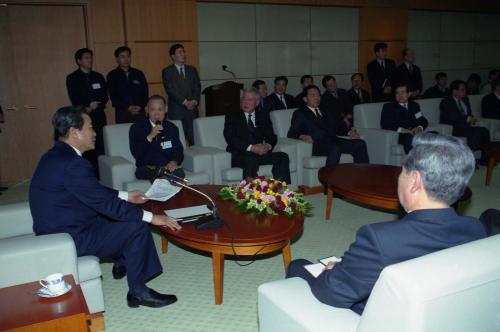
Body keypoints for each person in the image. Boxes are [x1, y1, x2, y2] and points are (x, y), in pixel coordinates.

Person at [286, 133, 486, 314]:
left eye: (402, 171)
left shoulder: (380, 238)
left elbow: (333, 292)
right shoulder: (475, 229)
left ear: (415, 180)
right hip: (438, 311)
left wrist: (333, 272)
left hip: (389, 317)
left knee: (298, 266)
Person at [29, 106, 182, 308]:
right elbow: (106, 204)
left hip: (59, 225)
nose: (94, 133)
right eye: (90, 127)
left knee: (122, 215)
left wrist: (126, 195)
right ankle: (138, 292)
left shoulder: (56, 155)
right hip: (68, 236)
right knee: (137, 226)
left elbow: (89, 191)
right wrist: (153, 217)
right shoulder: (73, 163)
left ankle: (123, 260)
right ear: (75, 132)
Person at [288, 85, 369, 166]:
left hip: (334, 140)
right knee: (335, 148)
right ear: (305, 99)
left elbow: (338, 126)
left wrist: (349, 132)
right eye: (313, 95)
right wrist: (302, 136)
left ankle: (361, 175)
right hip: (318, 145)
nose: (317, 98)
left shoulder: (326, 110)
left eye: (318, 95)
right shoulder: (300, 113)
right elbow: (292, 133)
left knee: (360, 143)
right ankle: (329, 177)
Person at [223, 88, 291, 182]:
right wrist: (252, 148)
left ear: (257, 102)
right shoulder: (232, 116)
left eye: (249, 100)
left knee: (283, 156)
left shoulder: (263, 116)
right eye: (243, 99)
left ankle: (280, 189)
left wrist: (267, 146)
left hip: (259, 153)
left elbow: (271, 136)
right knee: (251, 160)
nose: (245, 102)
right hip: (239, 155)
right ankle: (250, 193)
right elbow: (230, 138)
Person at [66, 48, 108, 172]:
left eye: (90, 57)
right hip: (83, 116)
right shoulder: (72, 78)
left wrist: (96, 105)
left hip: (99, 115)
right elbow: (74, 97)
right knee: (86, 145)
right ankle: (88, 173)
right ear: (79, 61)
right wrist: (88, 107)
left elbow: (104, 96)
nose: (90, 60)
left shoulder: (98, 76)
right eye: (86, 58)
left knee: (101, 144)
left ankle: (103, 174)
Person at [129, 95, 185, 183]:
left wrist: (174, 162)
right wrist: (149, 137)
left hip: (167, 167)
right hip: (147, 168)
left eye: (160, 109)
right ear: (147, 110)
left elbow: (178, 150)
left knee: (179, 173)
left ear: (166, 109)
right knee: (159, 174)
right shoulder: (137, 128)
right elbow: (136, 153)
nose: (157, 114)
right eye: (153, 110)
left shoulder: (172, 128)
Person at [440, 80, 490, 163]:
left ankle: (484, 156)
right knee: (474, 133)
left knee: (484, 130)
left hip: (466, 126)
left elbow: (469, 114)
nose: (465, 91)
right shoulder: (446, 102)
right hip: (454, 127)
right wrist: (467, 119)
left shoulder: (465, 100)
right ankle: (470, 159)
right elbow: (452, 117)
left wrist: (472, 118)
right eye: (462, 89)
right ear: (454, 91)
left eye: (465, 89)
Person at [162, 43, 201, 145]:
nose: (183, 54)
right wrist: (185, 102)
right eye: (180, 52)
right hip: (177, 110)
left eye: (183, 51)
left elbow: (197, 86)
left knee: (194, 137)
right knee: (178, 138)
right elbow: (170, 90)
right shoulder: (167, 71)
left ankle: (196, 158)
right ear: (173, 56)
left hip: (192, 109)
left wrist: (194, 101)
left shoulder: (192, 69)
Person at [381, 85, 429, 153]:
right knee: (411, 139)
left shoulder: (414, 105)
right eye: (397, 93)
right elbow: (385, 124)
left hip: (415, 132)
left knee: (434, 135)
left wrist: (419, 128)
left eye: (402, 92)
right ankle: (413, 162)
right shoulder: (388, 107)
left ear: (408, 94)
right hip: (401, 135)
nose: (399, 95)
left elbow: (422, 120)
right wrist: (404, 130)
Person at [107, 46, 149, 124]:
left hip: (140, 112)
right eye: (122, 57)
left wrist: (140, 105)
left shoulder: (138, 73)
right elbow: (113, 96)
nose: (126, 59)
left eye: (128, 56)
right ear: (117, 59)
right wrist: (128, 107)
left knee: (142, 134)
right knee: (124, 135)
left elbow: (145, 93)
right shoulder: (112, 75)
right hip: (123, 113)